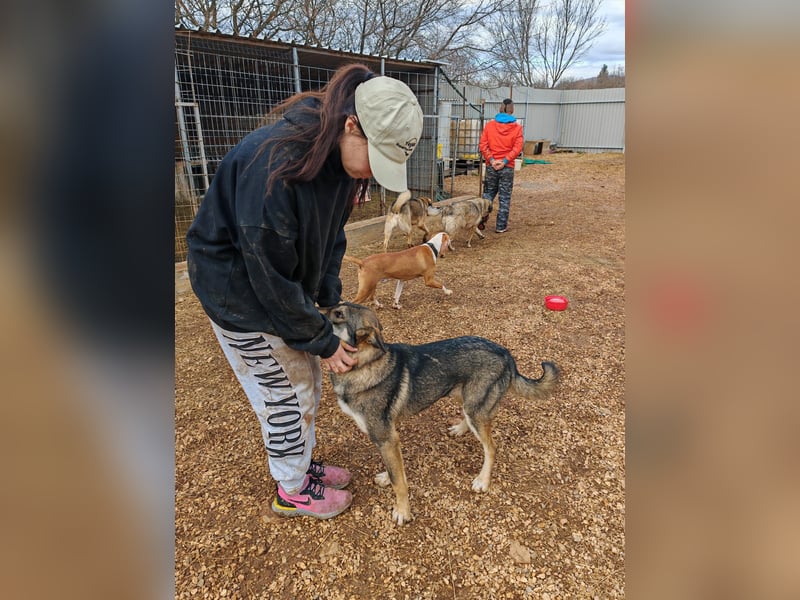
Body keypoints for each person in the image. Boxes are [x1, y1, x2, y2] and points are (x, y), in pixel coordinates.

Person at [186, 64, 423, 520]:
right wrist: (322, 340)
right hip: (240, 295)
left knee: (306, 384)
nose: (374, 173)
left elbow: (332, 236)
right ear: (351, 125)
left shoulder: (336, 162)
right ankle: (291, 490)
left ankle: (300, 466)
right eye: (376, 157)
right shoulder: (274, 166)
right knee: (285, 395)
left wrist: (328, 297)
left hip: (275, 283)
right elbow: (269, 276)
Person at [479, 98, 523, 233]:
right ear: (512, 110)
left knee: (488, 194)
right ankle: (501, 226)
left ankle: (480, 220)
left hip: (491, 166)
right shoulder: (517, 128)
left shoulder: (490, 126)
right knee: (504, 197)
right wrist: (504, 161)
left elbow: (483, 145)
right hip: (507, 167)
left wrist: (492, 160)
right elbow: (517, 148)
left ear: (500, 108)